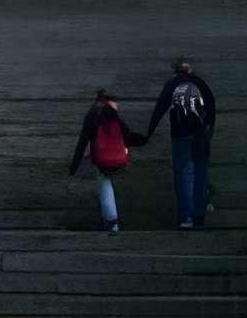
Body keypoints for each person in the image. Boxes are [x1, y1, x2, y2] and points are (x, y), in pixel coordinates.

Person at [146, 56, 216, 229]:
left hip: (181, 132)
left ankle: (187, 217)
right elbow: (211, 105)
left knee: (184, 173)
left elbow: (160, 107)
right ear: (190, 69)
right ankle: (199, 216)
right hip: (201, 131)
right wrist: (209, 131)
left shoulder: (173, 83)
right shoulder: (200, 82)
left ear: (175, 70)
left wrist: (149, 133)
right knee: (201, 171)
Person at [68, 88, 147, 232]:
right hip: (119, 159)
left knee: (104, 182)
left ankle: (111, 221)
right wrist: (142, 139)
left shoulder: (93, 112)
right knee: (109, 180)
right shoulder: (113, 113)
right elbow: (126, 135)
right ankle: (111, 217)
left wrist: (74, 167)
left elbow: (83, 141)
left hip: (102, 159)